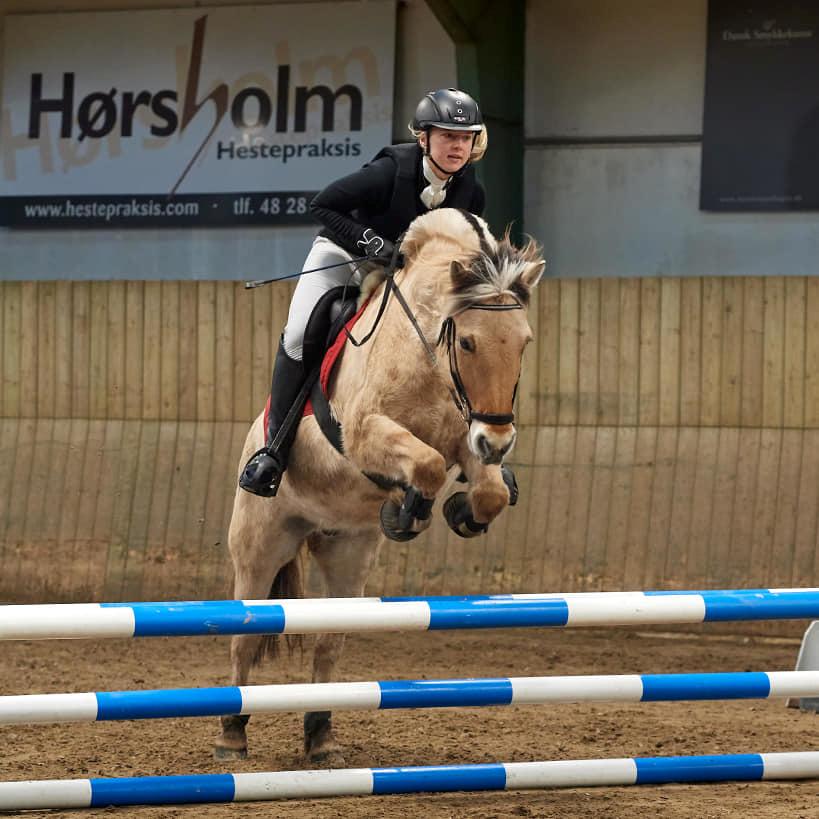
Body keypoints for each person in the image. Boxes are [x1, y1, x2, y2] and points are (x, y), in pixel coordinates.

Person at [239, 88, 488, 497]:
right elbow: (323, 205)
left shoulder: (470, 192)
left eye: (465, 137)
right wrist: (371, 241)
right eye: (447, 136)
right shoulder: (390, 170)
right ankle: (272, 452)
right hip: (342, 256)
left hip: (398, 277)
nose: (457, 146)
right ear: (424, 138)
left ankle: (477, 449)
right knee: (302, 334)